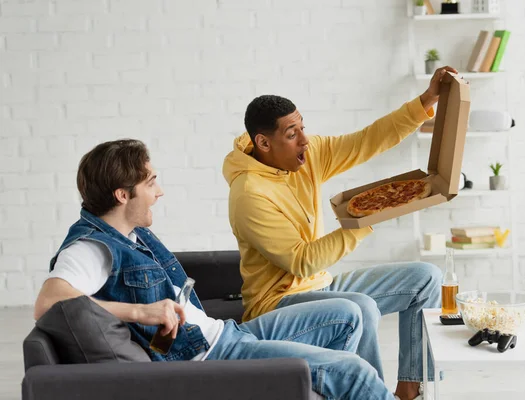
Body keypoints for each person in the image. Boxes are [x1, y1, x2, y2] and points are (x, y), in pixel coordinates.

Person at [33, 139, 397, 400]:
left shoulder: (131, 232)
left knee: (349, 314)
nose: (159, 192)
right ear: (122, 195)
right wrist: (140, 311)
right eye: (150, 182)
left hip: (226, 333)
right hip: (214, 356)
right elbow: (50, 304)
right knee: (353, 371)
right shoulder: (91, 247)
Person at [223, 66, 459, 400]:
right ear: (263, 142)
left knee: (426, 277)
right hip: (278, 303)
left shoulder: (304, 157)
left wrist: (427, 99)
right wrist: (367, 218)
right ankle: (374, 394)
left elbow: (366, 141)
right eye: (292, 134)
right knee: (360, 306)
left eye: (303, 127)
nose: (305, 139)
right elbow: (301, 262)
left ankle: (410, 389)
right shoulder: (249, 194)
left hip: (322, 286)